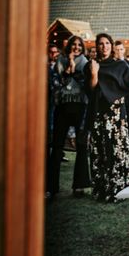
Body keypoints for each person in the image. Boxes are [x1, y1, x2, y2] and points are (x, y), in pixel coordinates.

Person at [84, 33, 129, 202]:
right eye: (100, 43)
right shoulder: (91, 65)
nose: (104, 46)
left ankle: (119, 189)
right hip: (98, 115)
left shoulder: (121, 65)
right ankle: (101, 189)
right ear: (97, 46)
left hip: (116, 117)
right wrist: (94, 74)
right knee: (100, 152)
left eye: (107, 43)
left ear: (111, 46)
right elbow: (90, 91)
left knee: (117, 152)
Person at [46, 36, 90, 199]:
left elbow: (87, 84)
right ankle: (51, 187)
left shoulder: (85, 62)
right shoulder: (60, 61)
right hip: (62, 106)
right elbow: (55, 83)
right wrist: (68, 69)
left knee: (81, 145)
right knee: (57, 147)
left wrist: (74, 70)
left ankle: (79, 186)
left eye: (79, 45)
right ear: (69, 46)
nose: (76, 47)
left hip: (79, 107)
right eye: (74, 44)